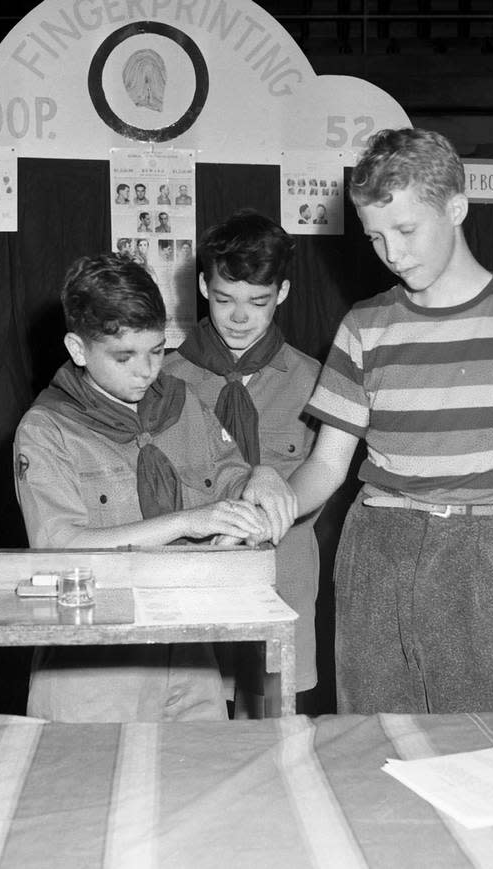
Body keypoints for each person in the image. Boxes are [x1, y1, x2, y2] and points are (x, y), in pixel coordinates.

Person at [245, 128, 493, 715]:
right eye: (376, 237)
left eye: (406, 231)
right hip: (375, 551)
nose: (393, 254)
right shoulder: (364, 325)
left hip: (480, 556)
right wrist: (268, 505)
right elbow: (328, 465)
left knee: (489, 748)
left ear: (456, 207)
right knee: (377, 749)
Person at [13, 253, 294, 722]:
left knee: (203, 784)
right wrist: (186, 521)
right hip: (94, 664)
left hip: (189, 653)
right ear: (78, 349)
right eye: (124, 356)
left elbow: (232, 482)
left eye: (157, 350)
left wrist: (258, 481)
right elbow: (58, 548)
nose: (146, 371)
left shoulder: (183, 405)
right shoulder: (47, 431)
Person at [165, 208, 322, 714]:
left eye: (257, 301)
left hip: (284, 579)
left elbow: (319, 486)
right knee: (195, 729)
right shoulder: (164, 381)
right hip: (194, 580)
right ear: (205, 287)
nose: (238, 317)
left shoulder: (315, 382)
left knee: (275, 731)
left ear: (282, 293)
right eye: (225, 298)